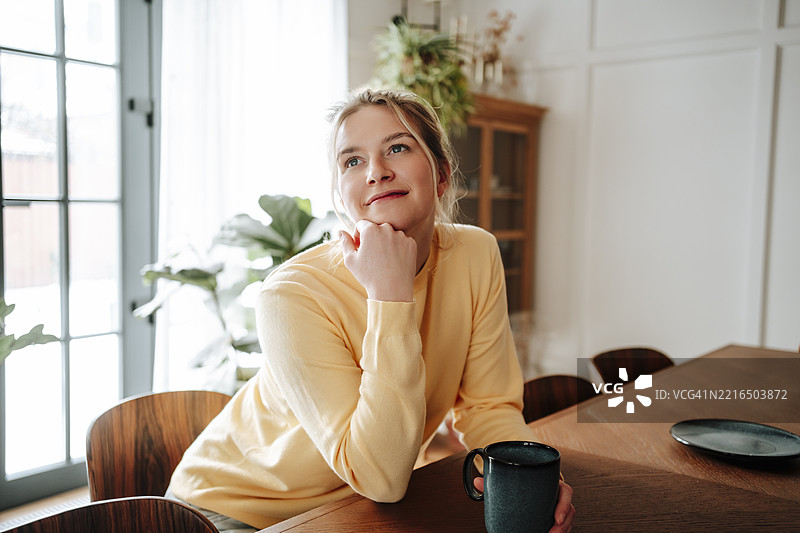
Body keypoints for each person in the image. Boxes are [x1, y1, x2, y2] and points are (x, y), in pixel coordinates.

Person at [166, 88, 575, 532]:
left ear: (441, 175)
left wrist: (532, 479)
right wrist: (390, 294)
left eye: (397, 148)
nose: (376, 172)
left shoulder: (476, 253)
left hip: (360, 506)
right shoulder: (291, 294)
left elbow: (489, 406)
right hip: (232, 510)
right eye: (352, 161)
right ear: (342, 196)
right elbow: (381, 477)